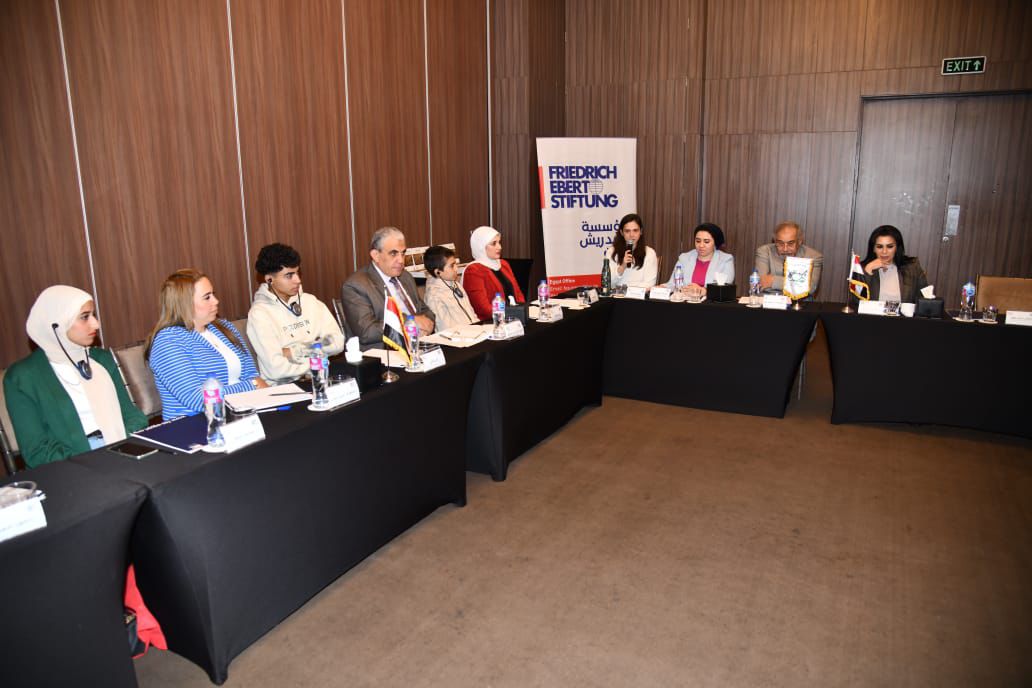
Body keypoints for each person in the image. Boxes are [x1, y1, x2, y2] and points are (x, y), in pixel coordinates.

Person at [4, 286, 147, 468]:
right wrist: (94, 459)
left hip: (120, 455)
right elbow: (37, 450)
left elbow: (133, 416)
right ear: (56, 324)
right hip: (66, 469)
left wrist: (119, 448)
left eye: (93, 315)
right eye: (85, 317)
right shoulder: (22, 377)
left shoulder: (101, 359)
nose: (95, 324)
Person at [146, 269, 267, 421]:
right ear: (185, 304)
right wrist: (252, 386)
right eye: (207, 297)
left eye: (213, 294)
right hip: (195, 422)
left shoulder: (224, 327)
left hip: (242, 411)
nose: (216, 301)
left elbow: (251, 374)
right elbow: (198, 399)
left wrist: (254, 386)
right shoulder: (168, 341)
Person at [246, 243, 345, 384]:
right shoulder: (259, 314)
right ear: (269, 279)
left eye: (297, 272)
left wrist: (292, 352)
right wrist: (317, 357)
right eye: (289, 275)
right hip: (285, 387)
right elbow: (276, 369)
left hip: (321, 377)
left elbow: (338, 342)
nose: (298, 280)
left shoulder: (310, 301)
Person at [341, 226, 435, 349]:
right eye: (393, 253)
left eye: (403, 253)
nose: (401, 260)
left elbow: (424, 310)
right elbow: (367, 332)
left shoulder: (405, 277)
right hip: (384, 352)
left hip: (418, 345)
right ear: (376, 255)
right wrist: (409, 323)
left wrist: (428, 324)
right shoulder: (356, 285)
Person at [462, 225, 526, 320]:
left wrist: (522, 310)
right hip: (491, 321)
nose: (499, 247)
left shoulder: (503, 264)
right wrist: (512, 313)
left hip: (513, 317)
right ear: (481, 246)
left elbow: (518, 293)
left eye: (499, 242)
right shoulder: (473, 270)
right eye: (494, 243)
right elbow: (482, 308)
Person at [859, 225, 929, 303]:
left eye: (890, 246)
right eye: (879, 247)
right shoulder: (861, 269)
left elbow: (925, 299)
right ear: (873, 249)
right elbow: (855, 302)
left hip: (904, 311)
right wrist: (867, 271)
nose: (884, 251)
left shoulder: (912, 268)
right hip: (872, 311)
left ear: (897, 248)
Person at [667, 223, 735, 298]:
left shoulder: (725, 260)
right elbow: (672, 284)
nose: (701, 245)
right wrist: (662, 288)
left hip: (710, 303)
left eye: (706, 242)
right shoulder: (684, 258)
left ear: (715, 243)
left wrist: (703, 291)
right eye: (698, 241)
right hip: (685, 301)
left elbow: (725, 289)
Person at [755, 221, 824, 295]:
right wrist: (797, 285)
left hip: (799, 301)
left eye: (790, 243)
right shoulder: (764, 251)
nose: (785, 249)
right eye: (780, 243)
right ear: (775, 241)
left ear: (799, 242)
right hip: (768, 300)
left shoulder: (813, 256)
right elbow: (760, 283)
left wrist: (773, 281)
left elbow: (811, 287)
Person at [423, 245, 478, 330]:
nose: (456, 268)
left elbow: (472, 314)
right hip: (459, 336)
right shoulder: (434, 296)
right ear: (438, 272)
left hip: (473, 331)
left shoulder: (455, 284)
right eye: (452, 266)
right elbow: (445, 329)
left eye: (455, 264)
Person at [607, 213, 658, 288]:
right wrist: (622, 267)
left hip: (639, 295)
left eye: (635, 230)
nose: (631, 235)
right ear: (621, 232)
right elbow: (608, 283)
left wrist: (629, 291)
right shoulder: (611, 251)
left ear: (641, 231)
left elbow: (650, 284)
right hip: (617, 294)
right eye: (627, 231)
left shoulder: (649, 253)